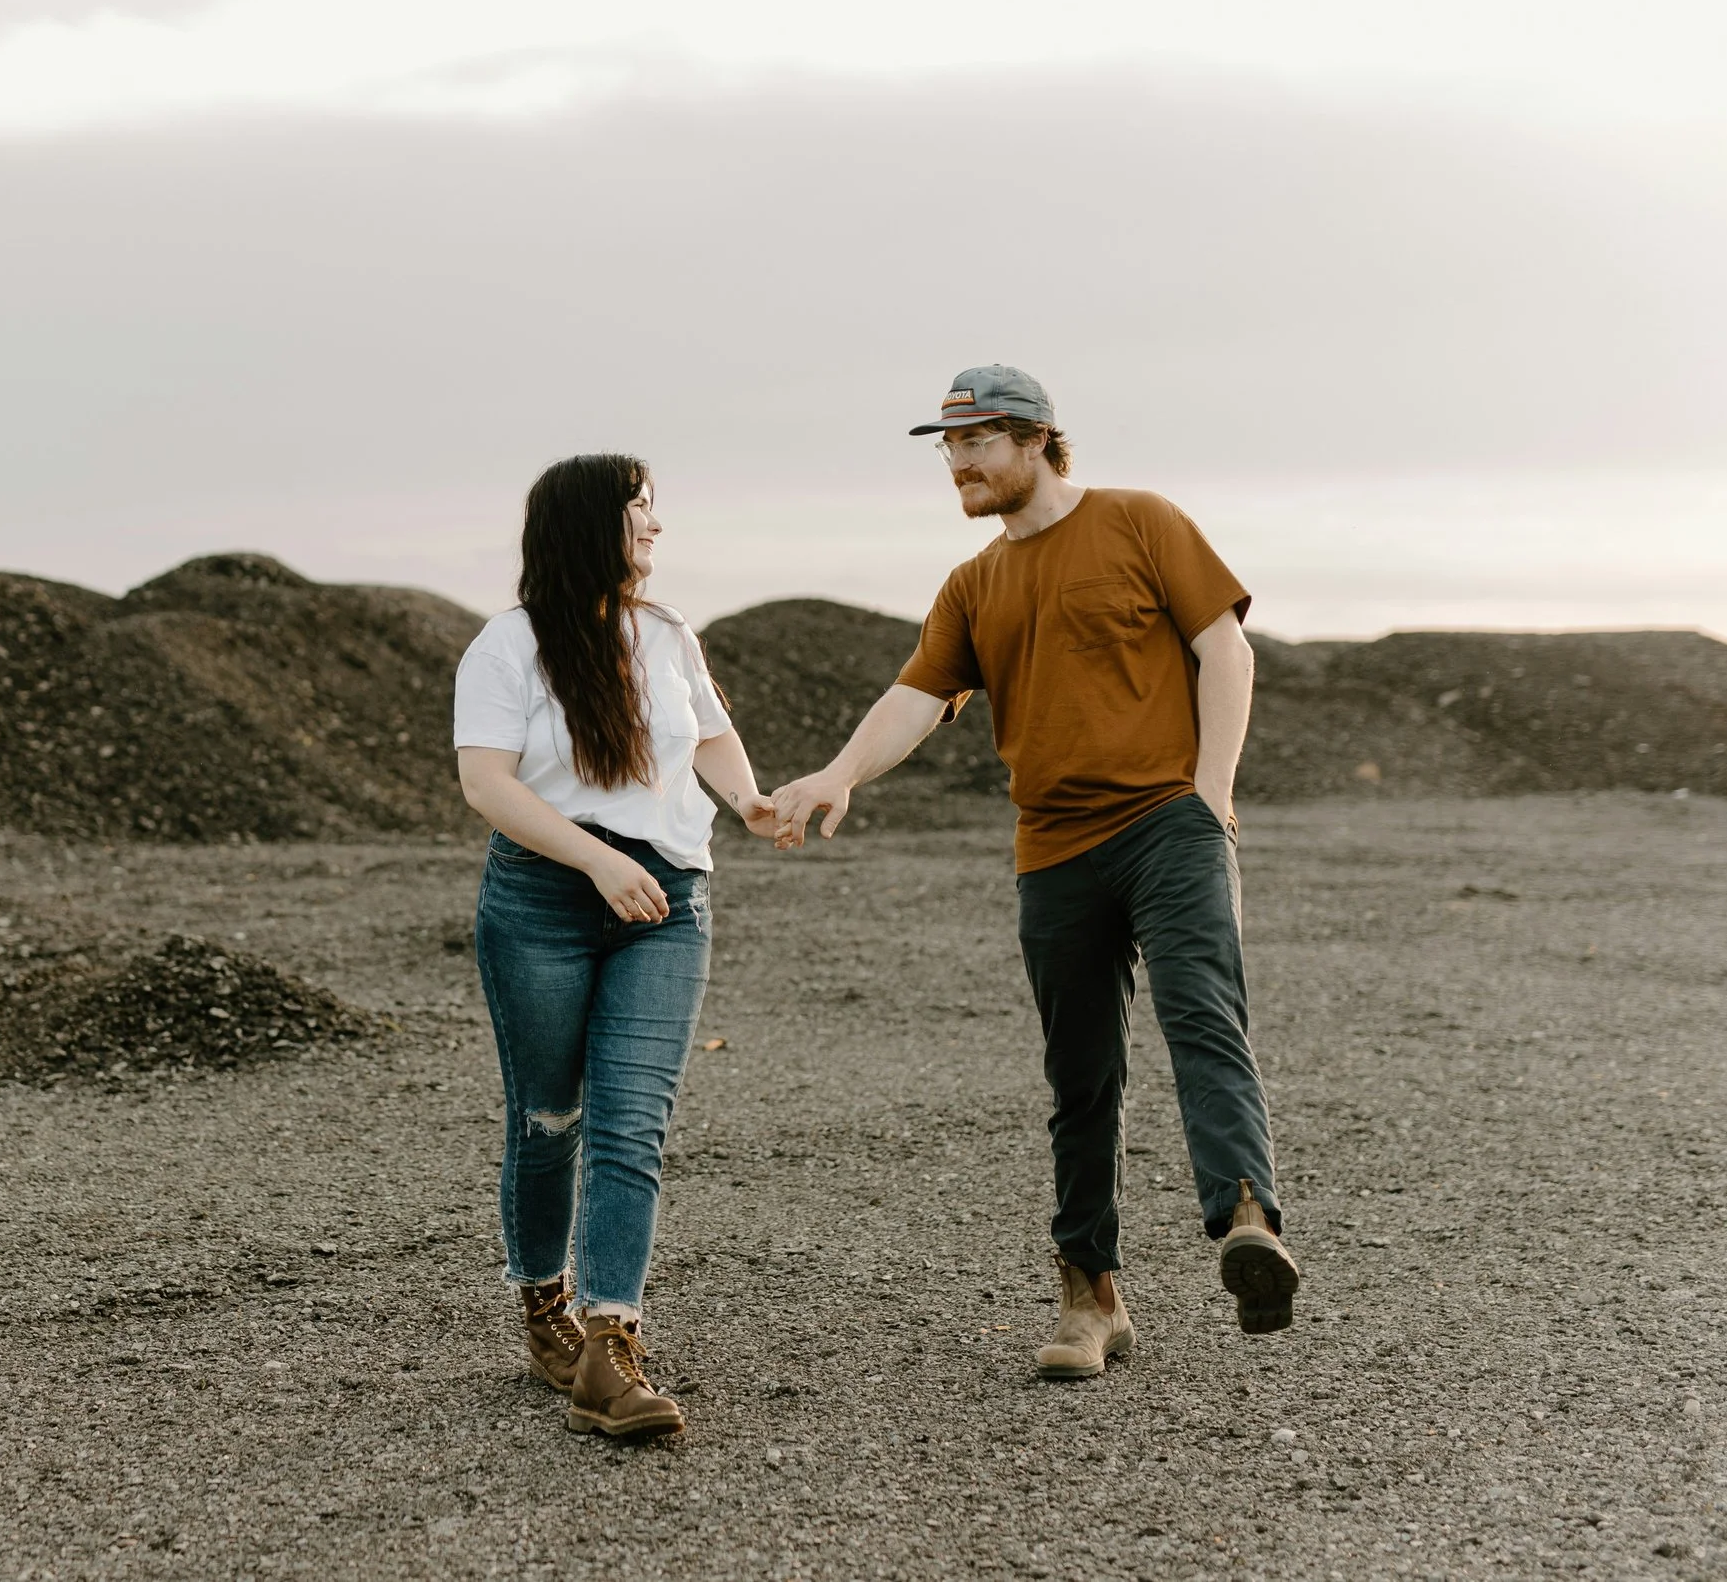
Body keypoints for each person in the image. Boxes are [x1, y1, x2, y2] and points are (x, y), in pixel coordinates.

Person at [770, 365, 1301, 1380]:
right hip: (1052, 849)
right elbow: (916, 697)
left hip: (1167, 823)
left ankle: (1246, 1222)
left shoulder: (1140, 522)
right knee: (1080, 1074)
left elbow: (1222, 649)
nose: (959, 463)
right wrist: (837, 773)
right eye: (949, 447)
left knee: (1202, 1014)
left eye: (977, 442)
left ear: (1036, 440)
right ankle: (1087, 1295)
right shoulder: (973, 583)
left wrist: (1210, 790)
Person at [454, 453, 777, 1438]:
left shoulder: (668, 634)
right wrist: (595, 860)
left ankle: (609, 1339)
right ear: (591, 524)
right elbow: (487, 783)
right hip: (545, 896)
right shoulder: (506, 647)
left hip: (668, 901)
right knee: (550, 1118)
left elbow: (707, 737)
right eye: (641, 510)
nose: (656, 528)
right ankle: (543, 1302)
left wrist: (753, 803)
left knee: (630, 1123)